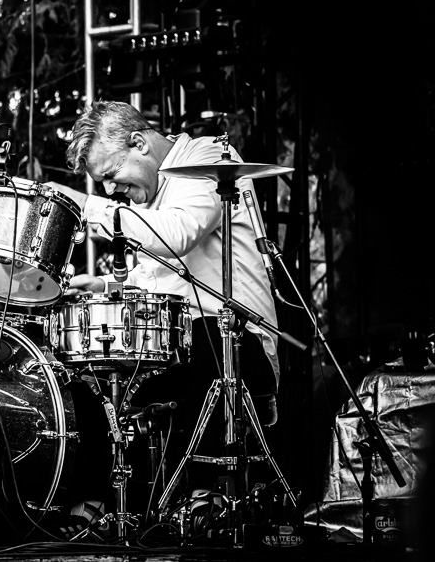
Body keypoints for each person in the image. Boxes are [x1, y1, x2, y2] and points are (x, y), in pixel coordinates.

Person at [46, 100, 282, 507]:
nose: (107, 190)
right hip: (181, 346)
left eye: (110, 174)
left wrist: (86, 206)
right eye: (99, 184)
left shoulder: (209, 157)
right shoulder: (146, 195)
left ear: (139, 143)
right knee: (76, 370)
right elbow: (159, 278)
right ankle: (95, 504)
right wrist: (102, 285)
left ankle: (206, 500)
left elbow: (177, 235)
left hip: (237, 345)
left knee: (203, 335)